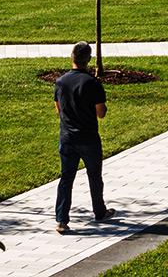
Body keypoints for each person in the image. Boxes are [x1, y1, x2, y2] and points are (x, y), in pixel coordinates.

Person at [53, 42, 113, 233]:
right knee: (94, 176)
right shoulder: (92, 83)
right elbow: (101, 113)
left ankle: (62, 220)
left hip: (67, 138)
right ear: (89, 59)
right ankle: (99, 212)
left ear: (72, 57)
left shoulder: (60, 82)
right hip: (88, 138)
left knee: (66, 178)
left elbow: (58, 109)